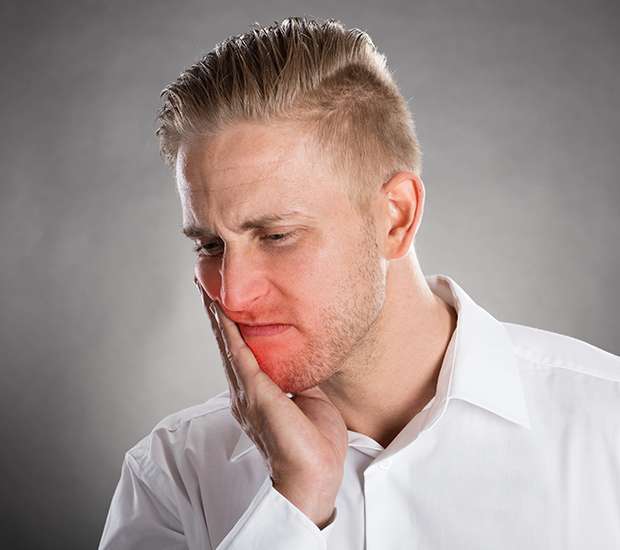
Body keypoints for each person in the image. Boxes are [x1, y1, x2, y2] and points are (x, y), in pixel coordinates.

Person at [99, 16, 620, 550]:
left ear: (395, 217)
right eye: (211, 245)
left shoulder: (608, 425)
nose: (231, 294)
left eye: (277, 236)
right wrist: (293, 502)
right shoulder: (172, 474)